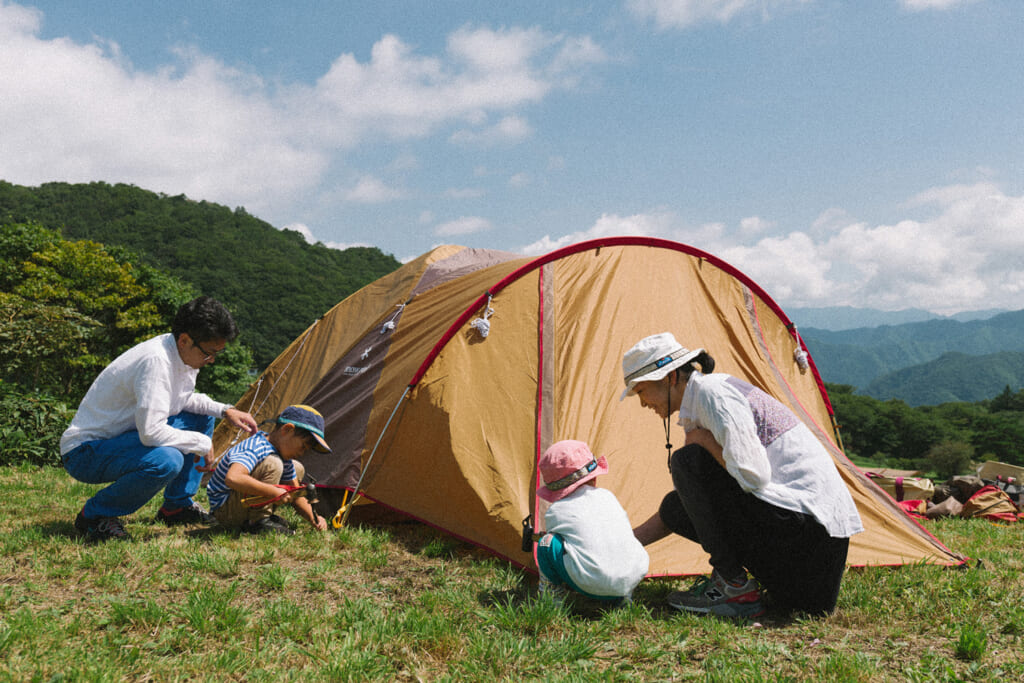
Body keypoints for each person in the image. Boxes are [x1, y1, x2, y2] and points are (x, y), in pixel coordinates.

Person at [621, 332, 863, 618]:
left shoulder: (713, 394)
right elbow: (687, 506)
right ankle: (740, 587)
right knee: (677, 506)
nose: (643, 403)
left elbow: (754, 477)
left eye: (641, 391)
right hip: (809, 550)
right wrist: (623, 544)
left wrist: (703, 441)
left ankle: (734, 587)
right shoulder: (700, 400)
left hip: (811, 537)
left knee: (688, 461)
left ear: (671, 377)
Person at [61, 296, 258, 542]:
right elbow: (151, 433)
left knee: (201, 417)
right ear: (185, 340)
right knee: (167, 460)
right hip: (85, 452)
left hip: (122, 440)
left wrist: (225, 411)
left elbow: (180, 400)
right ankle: (95, 516)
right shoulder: (156, 362)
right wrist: (202, 443)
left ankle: (177, 506)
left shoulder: (178, 352)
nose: (212, 361)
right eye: (209, 353)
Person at [535, 439, 649, 606]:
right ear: (594, 478)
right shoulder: (608, 497)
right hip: (632, 578)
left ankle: (551, 597)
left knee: (546, 543)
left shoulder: (556, 511)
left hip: (591, 584)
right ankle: (624, 597)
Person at [205, 404, 331, 534]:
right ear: (287, 430)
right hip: (225, 511)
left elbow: (294, 492)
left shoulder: (283, 454)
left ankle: (261, 517)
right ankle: (257, 521)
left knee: (296, 467)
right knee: (273, 464)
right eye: (303, 446)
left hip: (241, 506)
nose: (302, 453)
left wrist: (314, 517)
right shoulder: (255, 446)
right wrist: (273, 491)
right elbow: (233, 478)